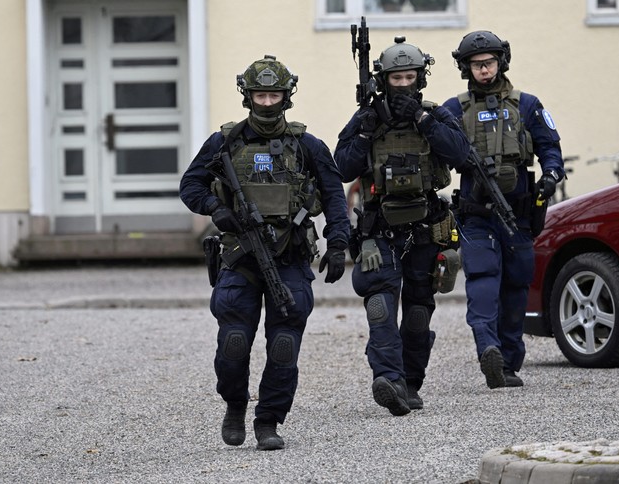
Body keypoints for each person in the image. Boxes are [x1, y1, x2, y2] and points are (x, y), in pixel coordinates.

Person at [179, 55, 349, 450]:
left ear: (286, 96)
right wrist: (217, 210)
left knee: (284, 344)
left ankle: (269, 420)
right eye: (260, 94)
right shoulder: (224, 142)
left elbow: (334, 196)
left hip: (289, 257)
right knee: (234, 340)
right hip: (240, 258)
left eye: (274, 94)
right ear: (248, 96)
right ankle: (236, 405)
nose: (267, 102)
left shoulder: (308, 145)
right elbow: (191, 186)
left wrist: (339, 242)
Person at [334, 37, 469, 414]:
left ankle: (411, 382)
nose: (404, 85)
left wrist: (423, 121)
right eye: (397, 78)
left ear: (420, 77)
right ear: (383, 79)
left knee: (416, 314)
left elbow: (461, 155)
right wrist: (364, 132)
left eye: (410, 76)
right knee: (379, 307)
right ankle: (388, 379)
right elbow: (341, 167)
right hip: (380, 231)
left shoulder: (434, 114)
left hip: (425, 228)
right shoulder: (367, 119)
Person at [442, 30, 564, 389]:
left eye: (490, 62)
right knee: (482, 280)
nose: (484, 70)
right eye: (477, 65)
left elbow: (550, 147)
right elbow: (437, 154)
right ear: (467, 68)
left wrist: (551, 175)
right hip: (477, 214)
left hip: (519, 213)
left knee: (516, 286)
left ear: (501, 62)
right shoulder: (454, 109)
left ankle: (509, 363)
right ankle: (488, 348)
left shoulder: (527, 104)